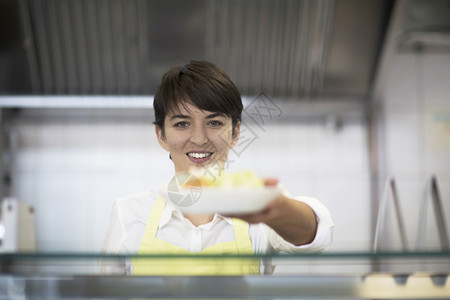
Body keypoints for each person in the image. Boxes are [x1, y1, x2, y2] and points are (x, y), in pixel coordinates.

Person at [102, 60, 334, 275]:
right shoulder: (129, 213)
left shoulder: (257, 201)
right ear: (161, 135)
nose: (200, 139)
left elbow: (316, 235)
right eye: (182, 124)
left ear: (235, 133)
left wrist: (273, 208)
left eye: (214, 123)